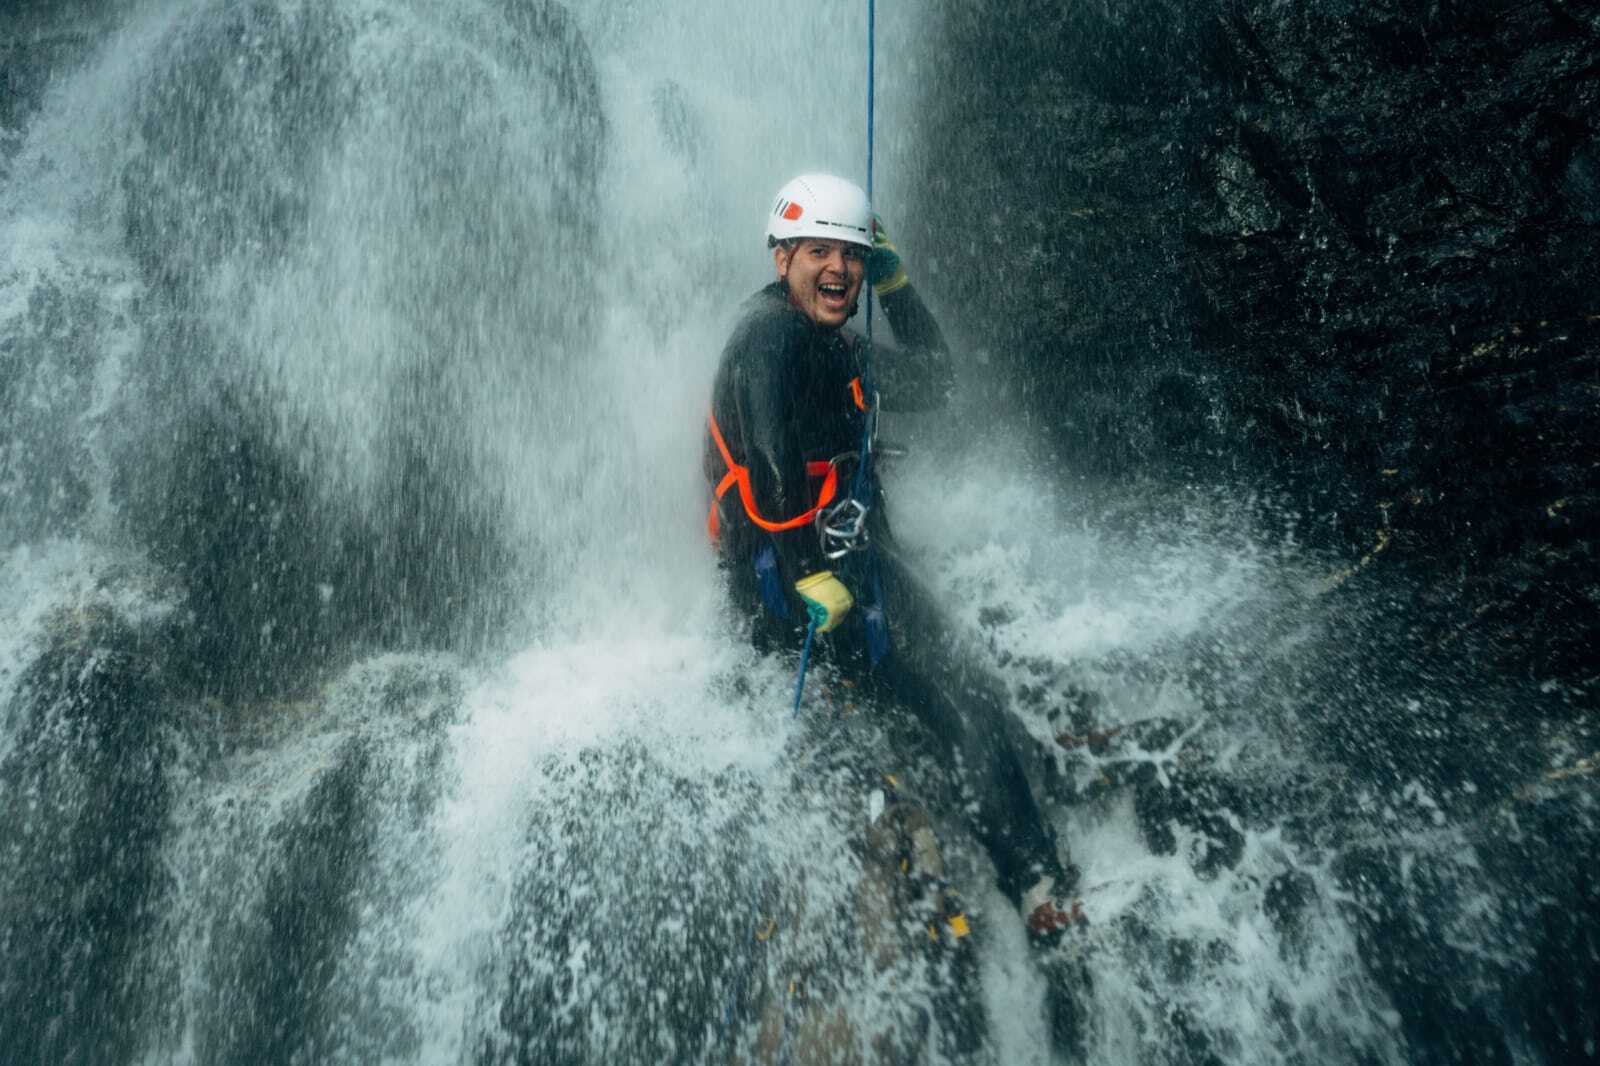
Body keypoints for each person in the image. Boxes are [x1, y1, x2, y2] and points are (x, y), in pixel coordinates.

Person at [704, 173, 1085, 941]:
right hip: (789, 578)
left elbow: (940, 381)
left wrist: (899, 283)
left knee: (959, 666)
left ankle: (1045, 761)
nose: (839, 270)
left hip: (841, 559)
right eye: (819, 252)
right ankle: (1036, 879)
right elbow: (773, 455)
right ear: (782, 260)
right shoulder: (767, 336)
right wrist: (809, 569)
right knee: (956, 697)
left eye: (851, 254)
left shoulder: (835, 345)